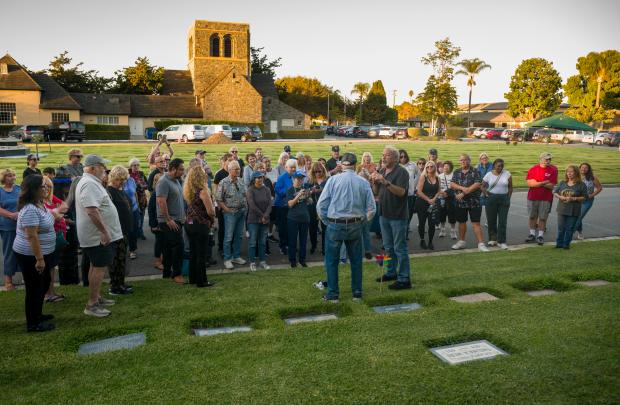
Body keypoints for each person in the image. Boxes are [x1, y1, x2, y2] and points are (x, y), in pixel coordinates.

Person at [317, 152, 376, 302]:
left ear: (342, 165)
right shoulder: (362, 182)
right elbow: (372, 208)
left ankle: (333, 293)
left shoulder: (333, 180)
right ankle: (357, 292)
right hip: (355, 224)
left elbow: (321, 205)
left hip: (335, 224)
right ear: (355, 165)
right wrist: (362, 221)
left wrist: (326, 221)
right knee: (356, 260)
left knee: (332, 260)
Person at [76, 155, 123, 317]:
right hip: (97, 236)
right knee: (98, 268)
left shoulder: (91, 183)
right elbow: (91, 210)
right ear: (92, 168)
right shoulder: (89, 184)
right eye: (101, 166)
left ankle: (96, 297)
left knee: (95, 266)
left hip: (95, 235)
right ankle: (92, 304)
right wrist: (104, 231)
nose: (104, 170)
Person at [12, 175, 59, 331]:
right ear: (34, 189)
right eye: (43, 186)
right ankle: (33, 323)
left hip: (44, 253)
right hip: (31, 255)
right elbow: (32, 236)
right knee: (34, 288)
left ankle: (37, 314)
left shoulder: (40, 204)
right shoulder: (30, 209)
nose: (46, 189)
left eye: (46, 186)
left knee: (43, 283)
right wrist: (39, 259)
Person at [371, 146, 411, 290]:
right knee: (388, 247)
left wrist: (385, 181)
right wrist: (374, 183)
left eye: (387, 155)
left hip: (398, 215)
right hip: (384, 214)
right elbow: (376, 192)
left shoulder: (402, 172)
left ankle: (404, 278)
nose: (384, 157)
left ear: (395, 158)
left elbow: (401, 192)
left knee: (400, 248)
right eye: (383, 155)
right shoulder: (381, 170)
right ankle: (390, 272)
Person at [184, 165, 216, 287]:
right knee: (201, 254)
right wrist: (212, 220)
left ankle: (193, 278)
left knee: (193, 253)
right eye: (204, 173)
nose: (206, 174)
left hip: (190, 223)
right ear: (200, 176)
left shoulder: (189, 190)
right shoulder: (203, 191)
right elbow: (210, 211)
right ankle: (202, 281)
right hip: (200, 224)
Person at [450, 154, 489, 252]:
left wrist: (463, 193)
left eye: (465, 160)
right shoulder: (457, 172)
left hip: (474, 202)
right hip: (461, 203)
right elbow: (452, 184)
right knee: (461, 222)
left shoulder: (476, 171)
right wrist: (463, 188)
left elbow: (477, 184)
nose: (462, 162)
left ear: (469, 161)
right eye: (461, 160)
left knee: (476, 223)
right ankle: (461, 242)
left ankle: (481, 244)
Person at [156, 158, 186, 283]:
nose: (183, 171)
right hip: (169, 221)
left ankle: (167, 273)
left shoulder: (176, 180)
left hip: (176, 219)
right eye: (181, 169)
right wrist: (168, 219)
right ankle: (177, 274)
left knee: (168, 248)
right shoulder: (163, 181)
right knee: (179, 246)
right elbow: (161, 201)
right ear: (173, 169)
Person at [106, 166, 134, 295]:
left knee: (122, 259)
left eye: (124, 180)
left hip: (124, 230)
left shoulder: (119, 190)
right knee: (116, 260)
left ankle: (121, 283)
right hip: (116, 231)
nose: (122, 182)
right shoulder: (109, 192)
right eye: (120, 179)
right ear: (114, 178)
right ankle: (115, 286)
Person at [216, 160, 247, 269]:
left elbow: (245, 194)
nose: (238, 171)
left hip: (241, 212)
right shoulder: (223, 182)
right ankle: (227, 258)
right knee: (228, 236)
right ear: (230, 170)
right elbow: (219, 199)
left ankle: (236, 256)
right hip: (230, 214)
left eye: (239, 168)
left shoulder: (241, 180)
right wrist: (227, 210)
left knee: (239, 236)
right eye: (236, 169)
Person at [41, 176, 66, 303]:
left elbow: (65, 206)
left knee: (52, 266)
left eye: (49, 186)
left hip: (56, 237)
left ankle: (51, 292)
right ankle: (47, 294)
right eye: (44, 186)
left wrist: (58, 213)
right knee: (47, 267)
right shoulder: (39, 202)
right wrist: (58, 214)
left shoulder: (51, 199)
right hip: (47, 239)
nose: (46, 188)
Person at [525, 152, 558, 245]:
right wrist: (544, 182)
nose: (548, 161)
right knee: (532, 216)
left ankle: (540, 235)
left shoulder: (553, 169)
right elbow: (530, 184)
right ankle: (532, 234)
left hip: (546, 198)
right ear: (541, 159)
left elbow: (552, 186)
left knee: (543, 218)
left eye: (549, 159)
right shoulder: (533, 169)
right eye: (546, 159)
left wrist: (537, 182)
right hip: (532, 197)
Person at [553, 165, 587, 249]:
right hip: (562, 209)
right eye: (568, 171)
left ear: (576, 173)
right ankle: (559, 244)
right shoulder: (562, 182)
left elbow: (585, 197)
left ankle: (566, 245)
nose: (569, 173)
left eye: (571, 172)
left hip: (573, 210)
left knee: (569, 228)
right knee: (561, 228)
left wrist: (573, 198)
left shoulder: (581, 184)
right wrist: (560, 197)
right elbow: (555, 192)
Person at [481, 159, 513, 250]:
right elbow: (482, 185)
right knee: (491, 220)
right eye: (498, 165)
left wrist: (508, 198)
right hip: (491, 198)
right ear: (494, 165)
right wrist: (486, 193)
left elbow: (510, 187)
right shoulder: (489, 174)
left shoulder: (507, 174)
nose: (500, 167)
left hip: (504, 198)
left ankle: (502, 241)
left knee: (503, 221)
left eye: (502, 166)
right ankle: (492, 239)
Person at [246, 171, 272, 271]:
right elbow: (252, 206)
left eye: (261, 177)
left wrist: (265, 216)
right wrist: (263, 216)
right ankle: (252, 262)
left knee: (262, 242)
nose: (260, 179)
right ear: (253, 179)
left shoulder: (267, 189)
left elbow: (270, 204)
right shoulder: (250, 190)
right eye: (257, 178)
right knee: (252, 242)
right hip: (253, 220)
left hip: (264, 220)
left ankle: (263, 261)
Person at [0, 169, 21, 290]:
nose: (12, 177)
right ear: (3, 178)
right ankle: (8, 281)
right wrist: (11, 215)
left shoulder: (19, 189)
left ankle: (26, 277)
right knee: (9, 252)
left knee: (25, 251)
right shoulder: (0, 191)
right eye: (9, 176)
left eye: (13, 175)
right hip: (7, 226)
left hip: (22, 225)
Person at [285, 171, 311, 268]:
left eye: (301, 178)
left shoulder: (304, 189)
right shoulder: (290, 190)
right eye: (298, 178)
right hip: (293, 218)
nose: (300, 180)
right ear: (294, 179)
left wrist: (308, 198)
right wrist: (298, 195)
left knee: (303, 240)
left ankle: (302, 259)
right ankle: (292, 260)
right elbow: (290, 204)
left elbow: (309, 202)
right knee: (292, 240)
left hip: (305, 218)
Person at [415, 161, 440, 250]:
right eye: (428, 166)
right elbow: (419, 191)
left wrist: (434, 199)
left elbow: (439, 191)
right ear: (426, 168)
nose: (429, 168)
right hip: (422, 203)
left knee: (432, 223)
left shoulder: (437, 178)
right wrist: (428, 199)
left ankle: (430, 241)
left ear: (435, 167)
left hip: (433, 204)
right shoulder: (423, 177)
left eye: (431, 166)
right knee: (422, 222)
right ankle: (422, 240)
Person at [274, 159, 298, 255]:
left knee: (291, 227)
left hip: (292, 205)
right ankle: (283, 246)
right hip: (282, 206)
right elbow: (277, 190)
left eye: (294, 167)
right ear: (286, 167)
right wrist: (289, 192)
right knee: (283, 227)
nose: (292, 169)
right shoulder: (282, 177)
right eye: (290, 167)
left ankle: (291, 245)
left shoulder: (295, 177)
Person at [575, 163, 603, 240]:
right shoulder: (577, 177)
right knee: (577, 217)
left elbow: (599, 188)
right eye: (582, 167)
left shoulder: (592, 178)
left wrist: (591, 195)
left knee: (578, 217)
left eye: (586, 168)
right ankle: (580, 233)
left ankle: (569, 233)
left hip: (587, 201)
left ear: (589, 169)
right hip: (577, 200)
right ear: (579, 168)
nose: (583, 169)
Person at [308, 162, 328, 255]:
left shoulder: (328, 180)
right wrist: (311, 191)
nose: (317, 173)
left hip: (325, 207)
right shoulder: (310, 181)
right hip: (313, 207)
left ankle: (325, 248)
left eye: (319, 171)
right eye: (315, 171)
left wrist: (320, 189)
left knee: (325, 228)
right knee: (312, 228)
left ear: (323, 171)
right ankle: (313, 245)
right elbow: (306, 193)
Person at [399, 150, 420, 236]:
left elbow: (418, 174)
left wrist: (414, 185)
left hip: (410, 193)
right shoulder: (396, 166)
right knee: (400, 214)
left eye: (404, 156)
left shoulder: (412, 165)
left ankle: (406, 229)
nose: (403, 158)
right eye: (401, 157)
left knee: (409, 213)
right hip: (399, 194)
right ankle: (401, 231)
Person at [128, 158, 149, 240]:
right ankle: (134, 233)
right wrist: (140, 185)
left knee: (142, 216)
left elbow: (147, 185)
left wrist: (141, 186)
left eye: (137, 165)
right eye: (134, 165)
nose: (136, 167)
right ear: (130, 166)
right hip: (132, 200)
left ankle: (140, 232)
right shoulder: (128, 175)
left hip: (142, 199)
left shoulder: (141, 173)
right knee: (134, 218)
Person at [123, 166, 141, 260]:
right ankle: (122, 250)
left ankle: (132, 250)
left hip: (134, 209)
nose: (128, 174)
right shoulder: (119, 182)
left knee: (134, 230)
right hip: (124, 210)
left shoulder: (131, 180)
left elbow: (135, 193)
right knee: (125, 231)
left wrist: (137, 206)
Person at [438, 161, 457, 239]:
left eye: (447, 166)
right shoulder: (439, 176)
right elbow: (437, 187)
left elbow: (456, 187)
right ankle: (442, 230)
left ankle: (453, 231)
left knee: (452, 215)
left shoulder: (454, 176)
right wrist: (441, 192)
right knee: (441, 214)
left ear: (451, 167)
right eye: (444, 166)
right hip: (441, 197)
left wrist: (447, 193)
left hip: (451, 198)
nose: (445, 167)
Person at [148, 172, 164, 270]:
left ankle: (162, 259)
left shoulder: (161, 192)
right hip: (157, 224)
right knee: (159, 242)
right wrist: (153, 224)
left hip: (162, 222)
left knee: (163, 241)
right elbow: (151, 210)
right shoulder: (155, 194)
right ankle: (157, 261)